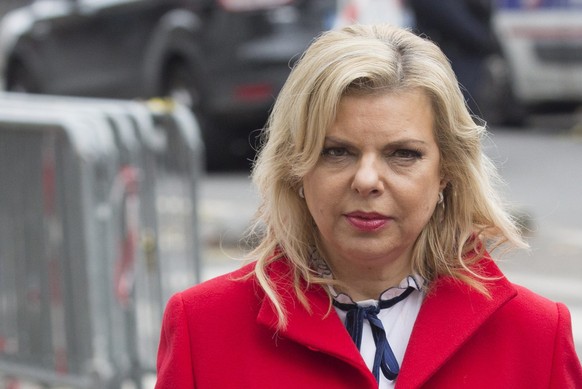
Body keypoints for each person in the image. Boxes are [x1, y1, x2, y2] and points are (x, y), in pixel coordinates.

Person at [154, 24, 582, 388]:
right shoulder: (203, 327)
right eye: (337, 151)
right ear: (295, 167)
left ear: (447, 170)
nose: (367, 180)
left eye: (403, 154)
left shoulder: (536, 335)